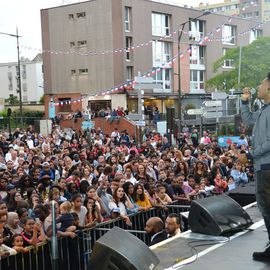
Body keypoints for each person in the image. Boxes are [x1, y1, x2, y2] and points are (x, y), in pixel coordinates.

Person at [241, 75, 270, 262]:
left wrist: (251, 155)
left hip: (267, 167)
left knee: (266, 206)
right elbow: (249, 119)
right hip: (263, 165)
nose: (258, 86)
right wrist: (245, 102)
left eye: (262, 82)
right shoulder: (263, 110)